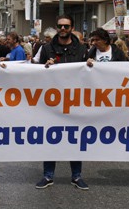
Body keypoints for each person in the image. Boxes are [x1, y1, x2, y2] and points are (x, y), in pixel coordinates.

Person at [36, 14, 89, 190]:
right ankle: (48, 175)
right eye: (60, 26)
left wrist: (91, 66)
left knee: (75, 139)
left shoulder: (82, 49)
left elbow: (88, 77)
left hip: (75, 102)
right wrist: (45, 67)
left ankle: (76, 176)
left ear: (72, 28)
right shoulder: (46, 48)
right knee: (51, 139)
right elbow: (34, 73)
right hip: (52, 103)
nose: (63, 29)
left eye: (66, 26)